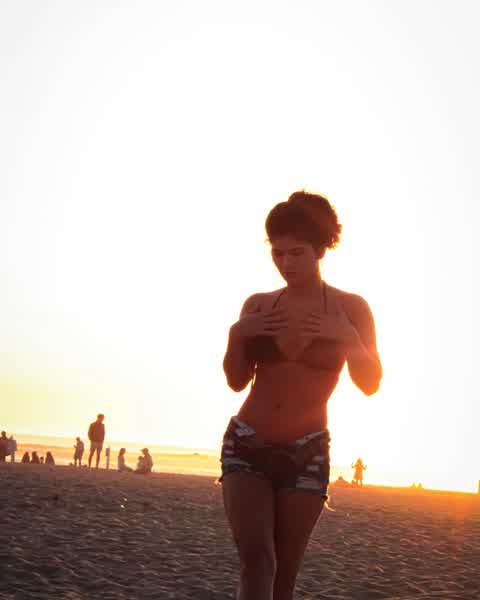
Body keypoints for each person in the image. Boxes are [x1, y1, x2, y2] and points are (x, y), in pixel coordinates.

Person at [221, 190, 382, 600]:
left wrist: (348, 340)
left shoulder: (351, 308)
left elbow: (370, 382)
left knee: (284, 575)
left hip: (307, 452)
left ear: (321, 250)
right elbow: (236, 381)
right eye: (278, 253)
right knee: (257, 560)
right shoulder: (258, 305)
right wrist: (237, 335)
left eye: (297, 253)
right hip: (246, 443)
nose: (286, 264)